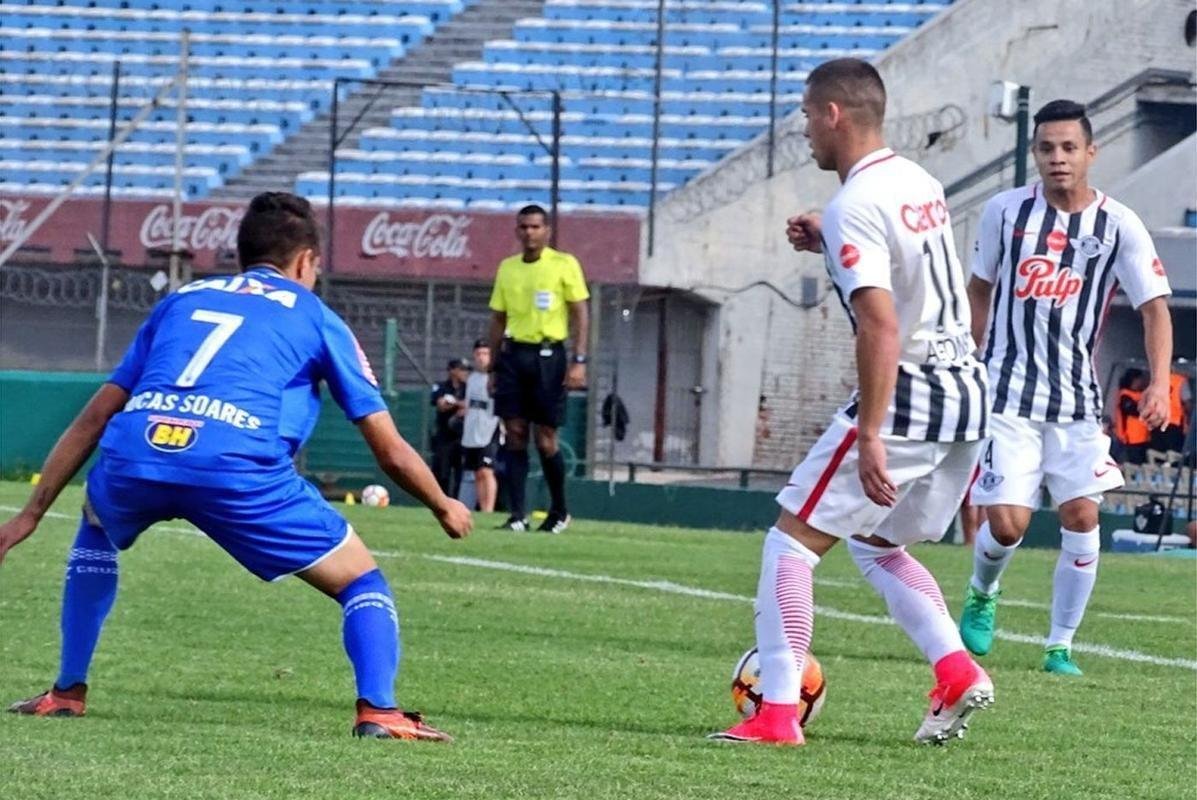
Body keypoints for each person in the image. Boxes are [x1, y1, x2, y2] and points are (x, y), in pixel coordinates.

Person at [0, 192, 472, 740]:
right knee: (361, 581)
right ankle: (380, 711)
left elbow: (95, 415)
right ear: (306, 261)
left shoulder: (181, 299)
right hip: (235, 466)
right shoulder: (317, 316)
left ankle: (66, 692)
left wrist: (31, 514)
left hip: (138, 451)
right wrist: (442, 503)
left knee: (96, 522)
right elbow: (388, 449)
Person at [709, 59, 993, 747]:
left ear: (833, 114)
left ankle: (777, 712)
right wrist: (831, 244)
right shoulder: (915, 180)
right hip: (967, 394)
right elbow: (908, 270)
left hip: (910, 393)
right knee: (876, 543)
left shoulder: (854, 205)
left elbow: (881, 325)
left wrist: (870, 433)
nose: (805, 129)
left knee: (790, 541)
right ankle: (955, 670)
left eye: (808, 115)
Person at [959, 99, 1173, 676]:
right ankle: (983, 589)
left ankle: (1060, 646)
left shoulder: (1118, 224)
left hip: (1076, 401)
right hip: (1005, 395)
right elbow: (979, 290)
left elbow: (1155, 307)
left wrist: (1159, 384)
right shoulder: (1005, 213)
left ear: (1091, 153)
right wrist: (966, 360)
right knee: (1008, 524)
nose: (1058, 158)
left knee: (1081, 515)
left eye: (1069, 147)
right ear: (1035, 153)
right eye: (1047, 148)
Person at [486, 204, 589, 534]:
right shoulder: (508, 268)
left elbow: (580, 312)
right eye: (524, 227)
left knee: (545, 437)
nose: (529, 232)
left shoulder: (563, 264)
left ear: (547, 231)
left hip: (548, 355)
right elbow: (498, 317)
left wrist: (579, 360)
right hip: (514, 354)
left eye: (535, 227)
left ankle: (559, 511)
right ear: (517, 230)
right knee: (514, 432)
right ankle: (518, 514)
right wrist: (493, 366)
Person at [462, 339, 500, 512]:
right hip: (472, 429)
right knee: (477, 471)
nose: (481, 358)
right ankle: (482, 507)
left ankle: (489, 508)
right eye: (478, 354)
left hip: (489, 427)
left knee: (486, 470)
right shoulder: (472, 379)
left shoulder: (496, 378)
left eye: (485, 354)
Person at [429, 358, 468, 498]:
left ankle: (458, 501)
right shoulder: (441, 387)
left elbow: (470, 405)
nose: (464, 373)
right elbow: (440, 404)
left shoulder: (468, 388)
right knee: (441, 472)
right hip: (444, 436)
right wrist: (459, 404)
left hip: (462, 436)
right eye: (461, 369)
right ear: (452, 371)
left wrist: (454, 403)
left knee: (461, 474)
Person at [1113, 368, 1151, 464]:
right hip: (1129, 437)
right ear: (1134, 380)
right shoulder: (1125, 395)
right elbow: (1133, 410)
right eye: (1140, 379)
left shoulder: (1141, 394)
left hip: (1143, 437)